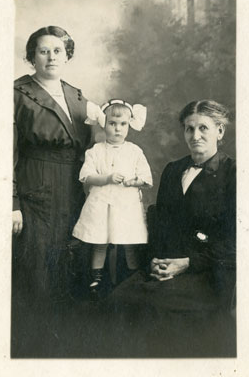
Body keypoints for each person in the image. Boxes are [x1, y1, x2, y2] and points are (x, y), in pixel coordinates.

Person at [94, 99, 236, 357]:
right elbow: (160, 226)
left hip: (209, 273)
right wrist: (154, 262)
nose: (195, 136)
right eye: (189, 129)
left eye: (203, 128)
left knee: (158, 311)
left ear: (220, 132)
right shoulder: (173, 170)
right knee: (116, 301)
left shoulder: (236, 173)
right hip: (165, 266)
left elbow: (236, 243)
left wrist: (188, 263)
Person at [12, 26, 93, 309]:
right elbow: (5, 155)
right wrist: (12, 204)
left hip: (72, 189)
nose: (51, 57)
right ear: (32, 57)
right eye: (43, 51)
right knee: (37, 269)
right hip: (35, 188)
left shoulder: (77, 96)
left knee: (70, 263)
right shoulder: (16, 93)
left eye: (57, 51)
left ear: (67, 55)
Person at [72, 99, 152, 295]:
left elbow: (146, 177)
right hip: (102, 203)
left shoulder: (134, 151)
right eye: (112, 123)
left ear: (129, 125)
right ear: (103, 123)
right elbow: (86, 176)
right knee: (100, 241)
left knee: (129, 240)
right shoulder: (96, 151)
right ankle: (96, 277)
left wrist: (134, 181)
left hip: (126, 205)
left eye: (123, 124)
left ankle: (133, 276)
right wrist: (107, 177)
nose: (118, 129)